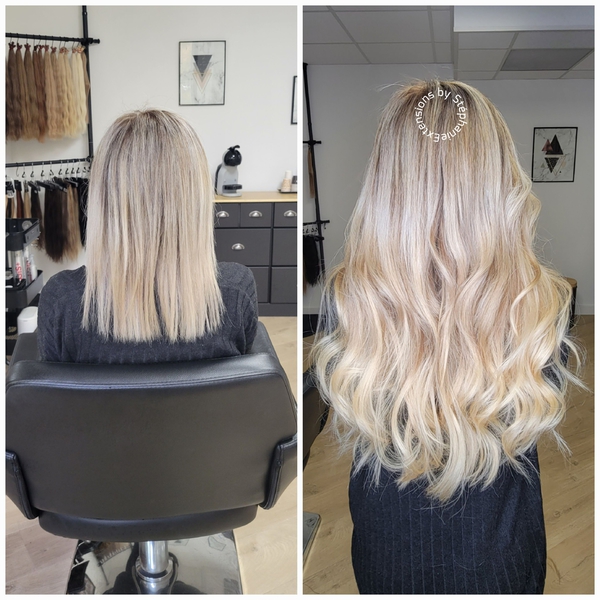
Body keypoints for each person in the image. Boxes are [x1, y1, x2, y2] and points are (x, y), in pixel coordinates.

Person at [310, 80, 582, 594]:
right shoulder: (540, 308)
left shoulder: (349, 302)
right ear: (499, 180)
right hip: (498, 555)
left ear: (386, 185)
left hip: (389, 551)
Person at [37, 109, 257, 363]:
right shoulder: (235, 292)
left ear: (102, 199)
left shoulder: (62, 301)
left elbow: (47, 384)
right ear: (196, 198)